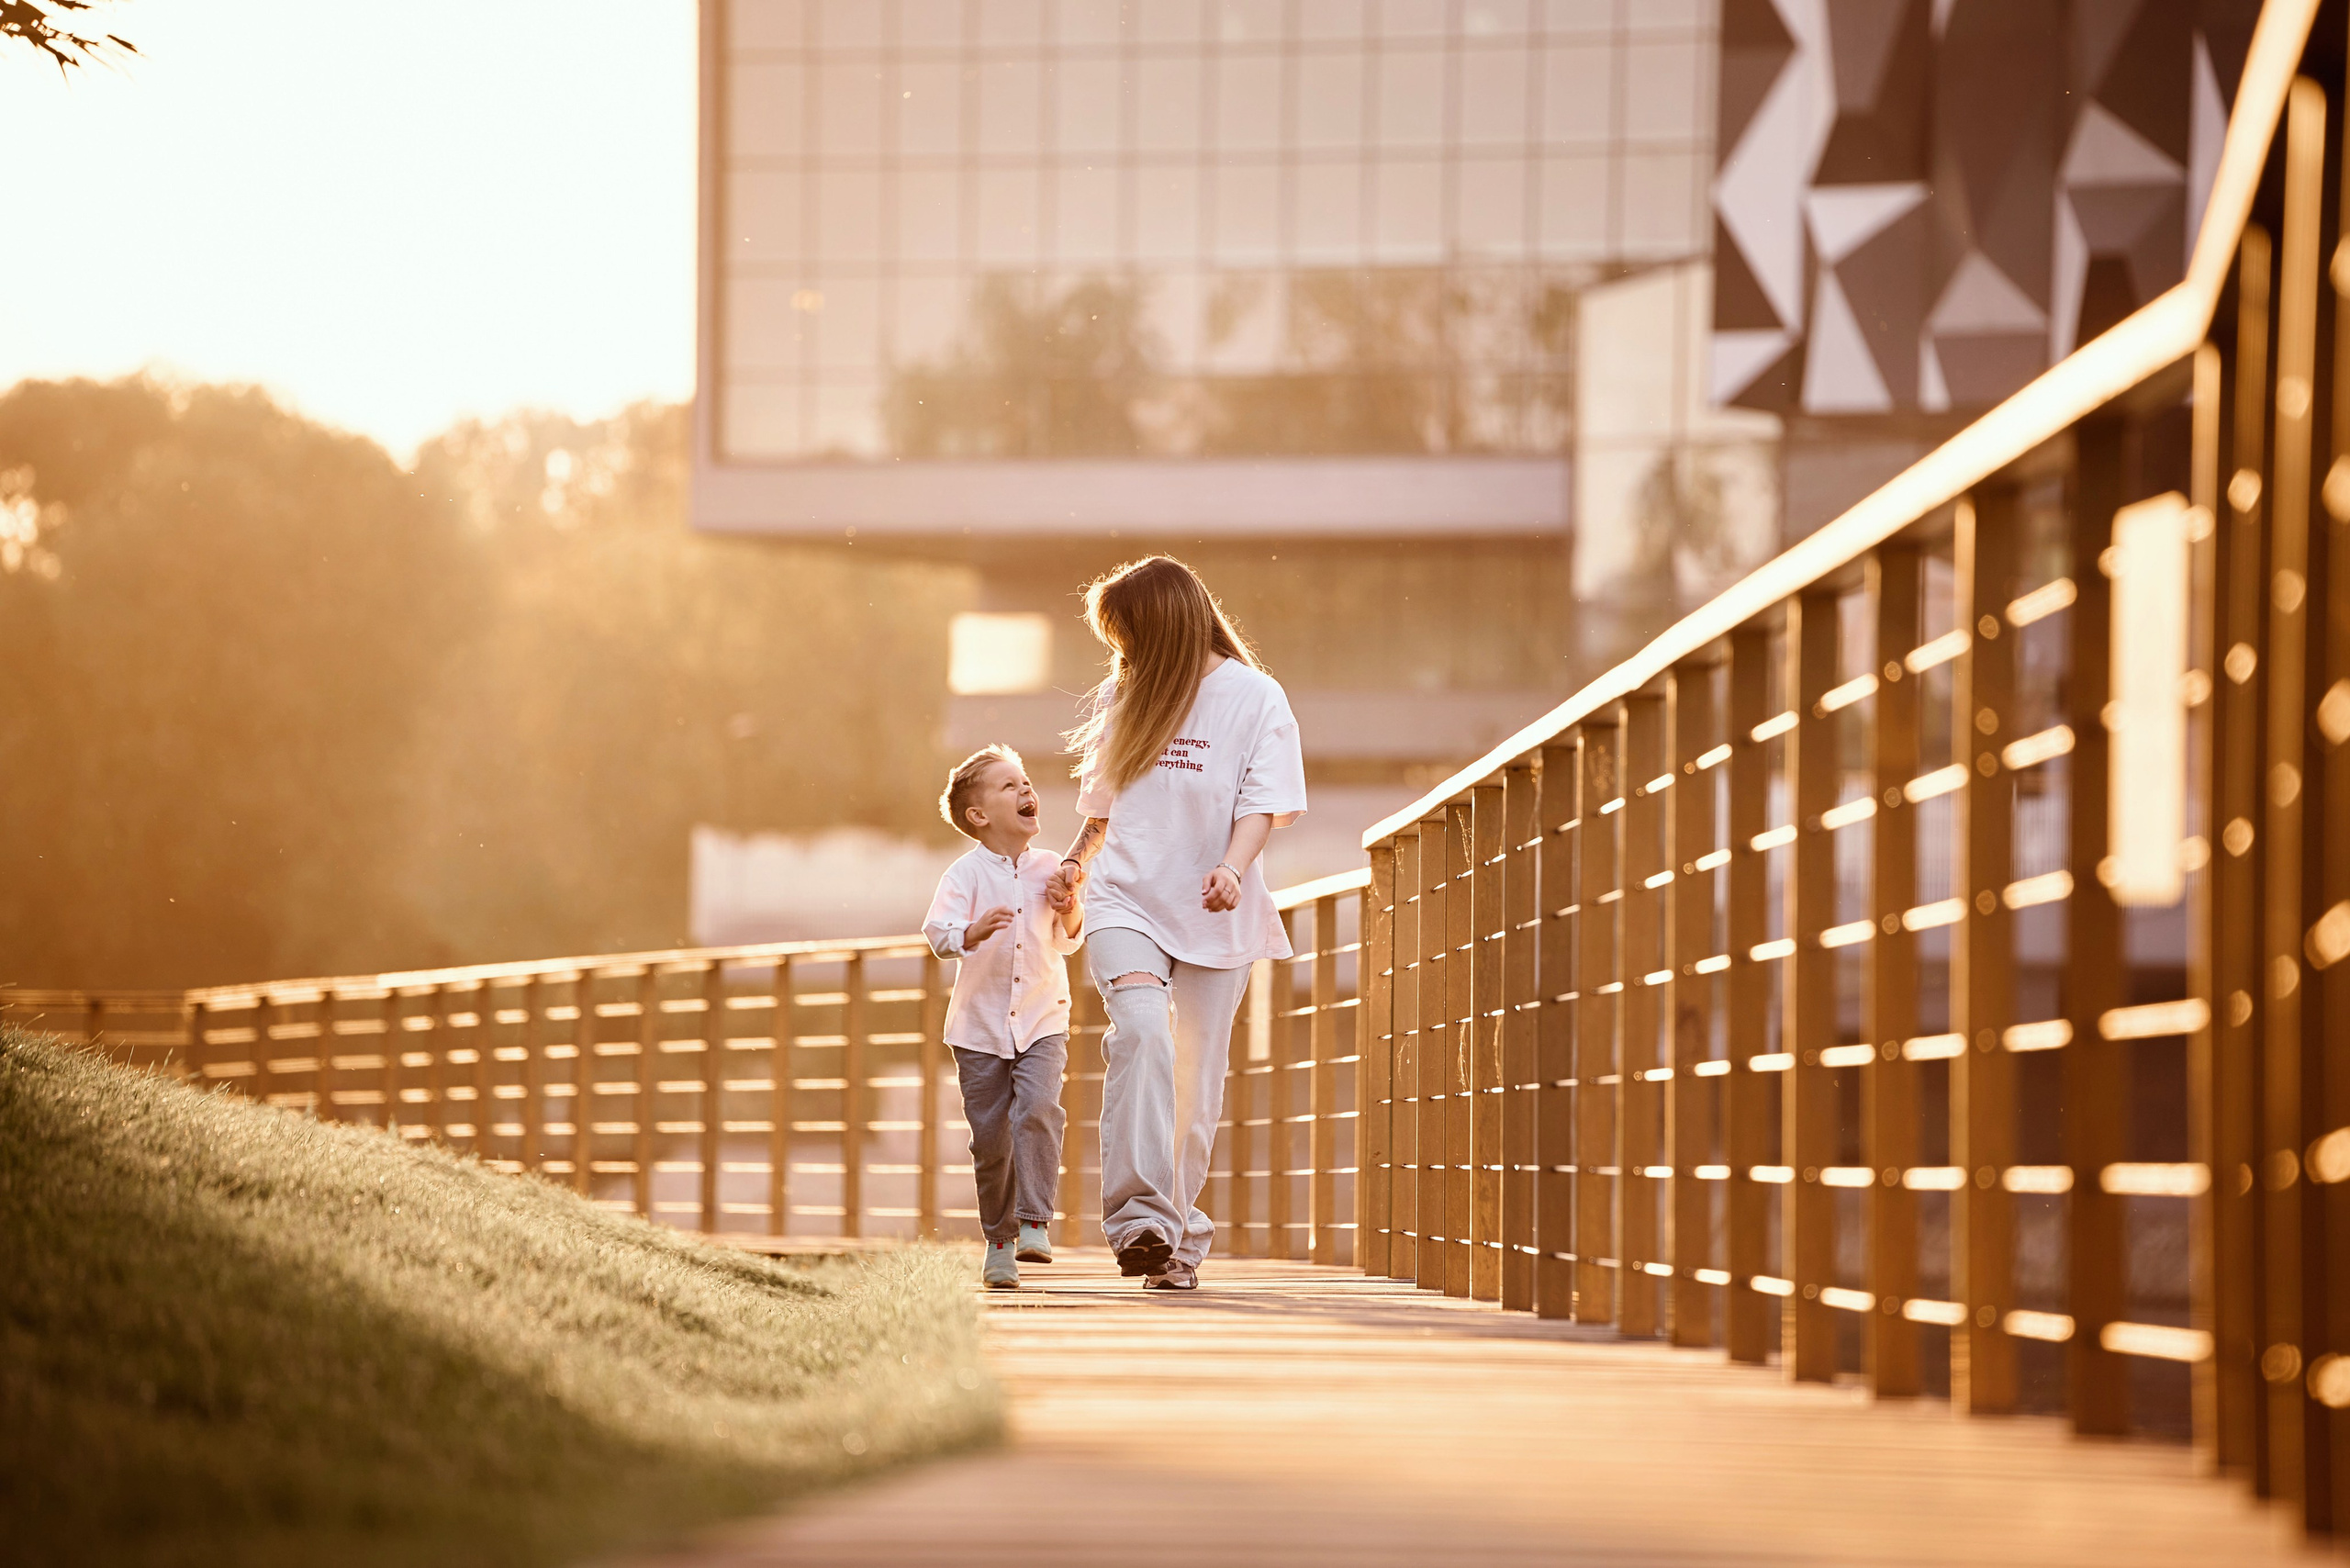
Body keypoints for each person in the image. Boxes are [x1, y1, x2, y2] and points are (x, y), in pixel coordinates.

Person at [1046, 556, 1305, 1291]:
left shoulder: (1255, 698)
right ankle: (1139, 1221)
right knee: (1140, 1029)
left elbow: (1263, 802)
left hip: (1216, 905)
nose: (1120, 653)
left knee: (1195, 1082)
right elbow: (1104, 807)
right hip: (1126, 900)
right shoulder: (1126, 694)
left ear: (1164, 626)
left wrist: (1231, 865)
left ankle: (1176, 1243)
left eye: (1127, 634)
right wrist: (1071, 864)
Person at [923, 745, 1083, 1291]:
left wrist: (1070, 907)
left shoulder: (1053, 867)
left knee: (1039, 1108)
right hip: (979, 1028)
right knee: (990, 1138)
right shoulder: (964, 874)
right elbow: (938, 931)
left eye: (1026, 783)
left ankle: (1034, 1220)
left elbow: (1067, 941)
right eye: (1009, 786)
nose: (1025, 791)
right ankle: (999, 1243)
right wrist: (969, 932)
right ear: (979, 816)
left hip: (1042, 1017)